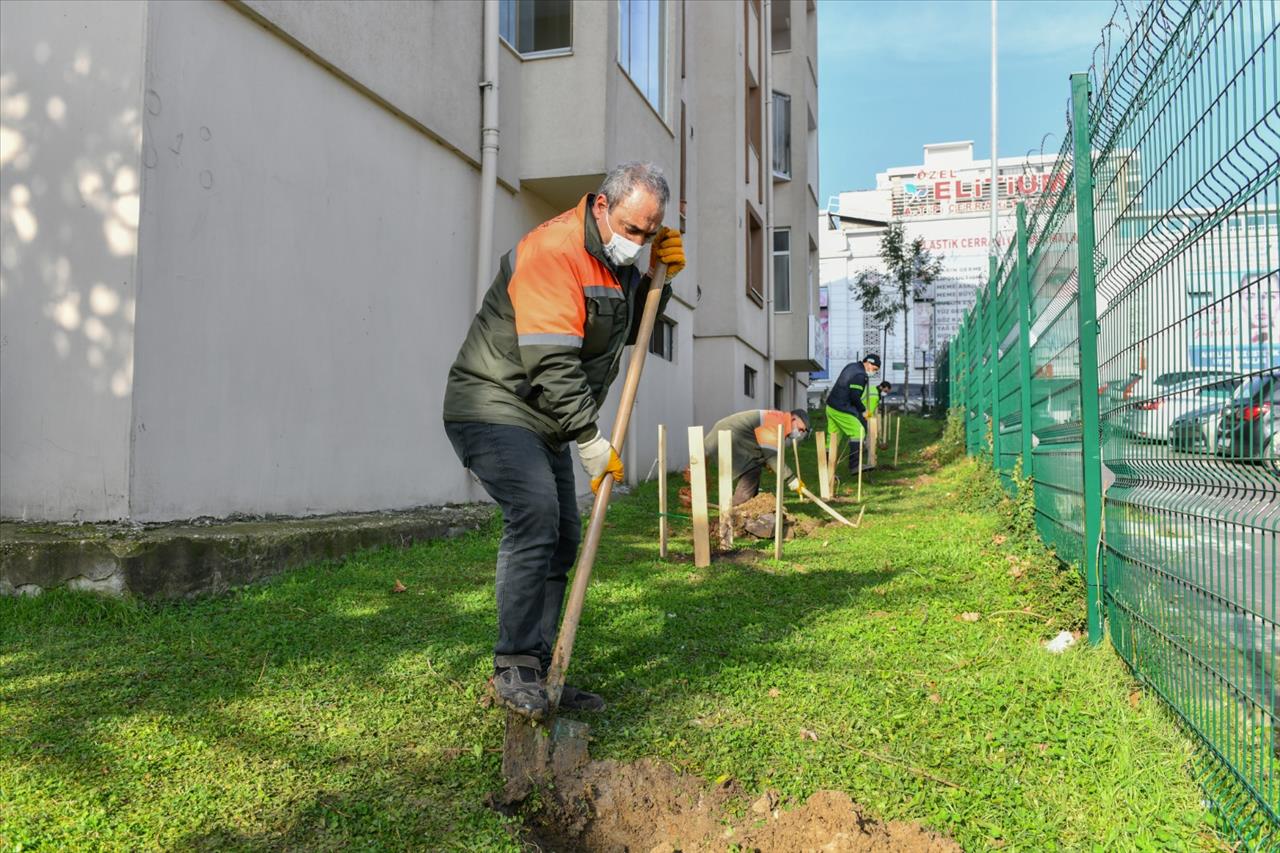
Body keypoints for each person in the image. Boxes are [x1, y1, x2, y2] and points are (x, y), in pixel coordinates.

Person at [443, 162, 686, 720]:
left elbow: (622, 331)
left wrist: (656, 282)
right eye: (632, 228)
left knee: (563, 535)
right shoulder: (552, 251)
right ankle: (514, 666)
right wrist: (589, 438)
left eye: (651, 233)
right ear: (602, 206)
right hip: (494, 404)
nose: (638, 241)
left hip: (545, 417)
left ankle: (543, 666)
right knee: (535, 514)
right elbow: (551, 358)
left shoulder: (617, 261)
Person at [701, 409, 811, 505]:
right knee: (751, 470)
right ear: (793, 419)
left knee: (754, 467)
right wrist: (791, 479)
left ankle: (749, 508)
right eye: (801, 429)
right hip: (727, 437)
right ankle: (736, 511)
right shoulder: (775, 422)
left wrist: (766, 462)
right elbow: (771, 456)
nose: (800, 433)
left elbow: (764, 449)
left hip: (733, 436)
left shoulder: (779, 420)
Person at [825, 354, 881, 473]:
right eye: (875, 369)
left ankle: (826, 471)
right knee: (858, 432)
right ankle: (855, 466)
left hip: (831, 406)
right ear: (868, 363)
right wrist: (864, 412)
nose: (874, 372)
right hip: (841, 408)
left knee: (833, 438)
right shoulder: (860, 375)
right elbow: (855, 397)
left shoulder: (851, 366)